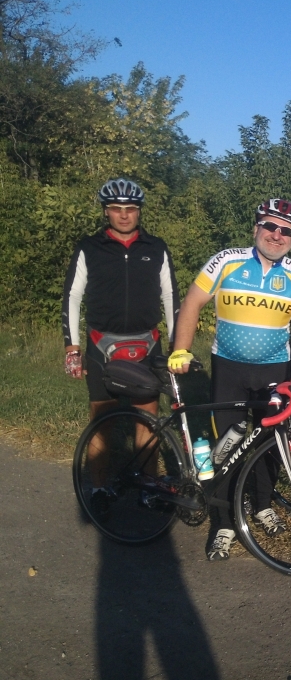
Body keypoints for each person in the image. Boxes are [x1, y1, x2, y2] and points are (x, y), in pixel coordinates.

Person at [167, 198, 291, 561]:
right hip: (229, 369)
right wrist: (181, 349)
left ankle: (262, 505)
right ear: (256, 228)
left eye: (286, 231)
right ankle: (223, 522)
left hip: (275, 370)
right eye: (270, 226)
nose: (277, 235)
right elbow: (192, 303)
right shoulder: (227, 260)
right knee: (226, 446)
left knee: (270, 441)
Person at [63, 178, 180, 516]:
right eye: (116, 209)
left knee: (148, 420)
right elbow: (72, 296)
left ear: (139, 211)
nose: (124, 215)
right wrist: (72, 347)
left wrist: (177, 346)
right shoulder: (90, 247)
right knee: (102, 420)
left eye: (130, 209)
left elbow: (171, 296)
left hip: (147, 343)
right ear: (106, 211)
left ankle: (147, 488)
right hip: (101, 345)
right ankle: (99, 488)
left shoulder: (155, 247)